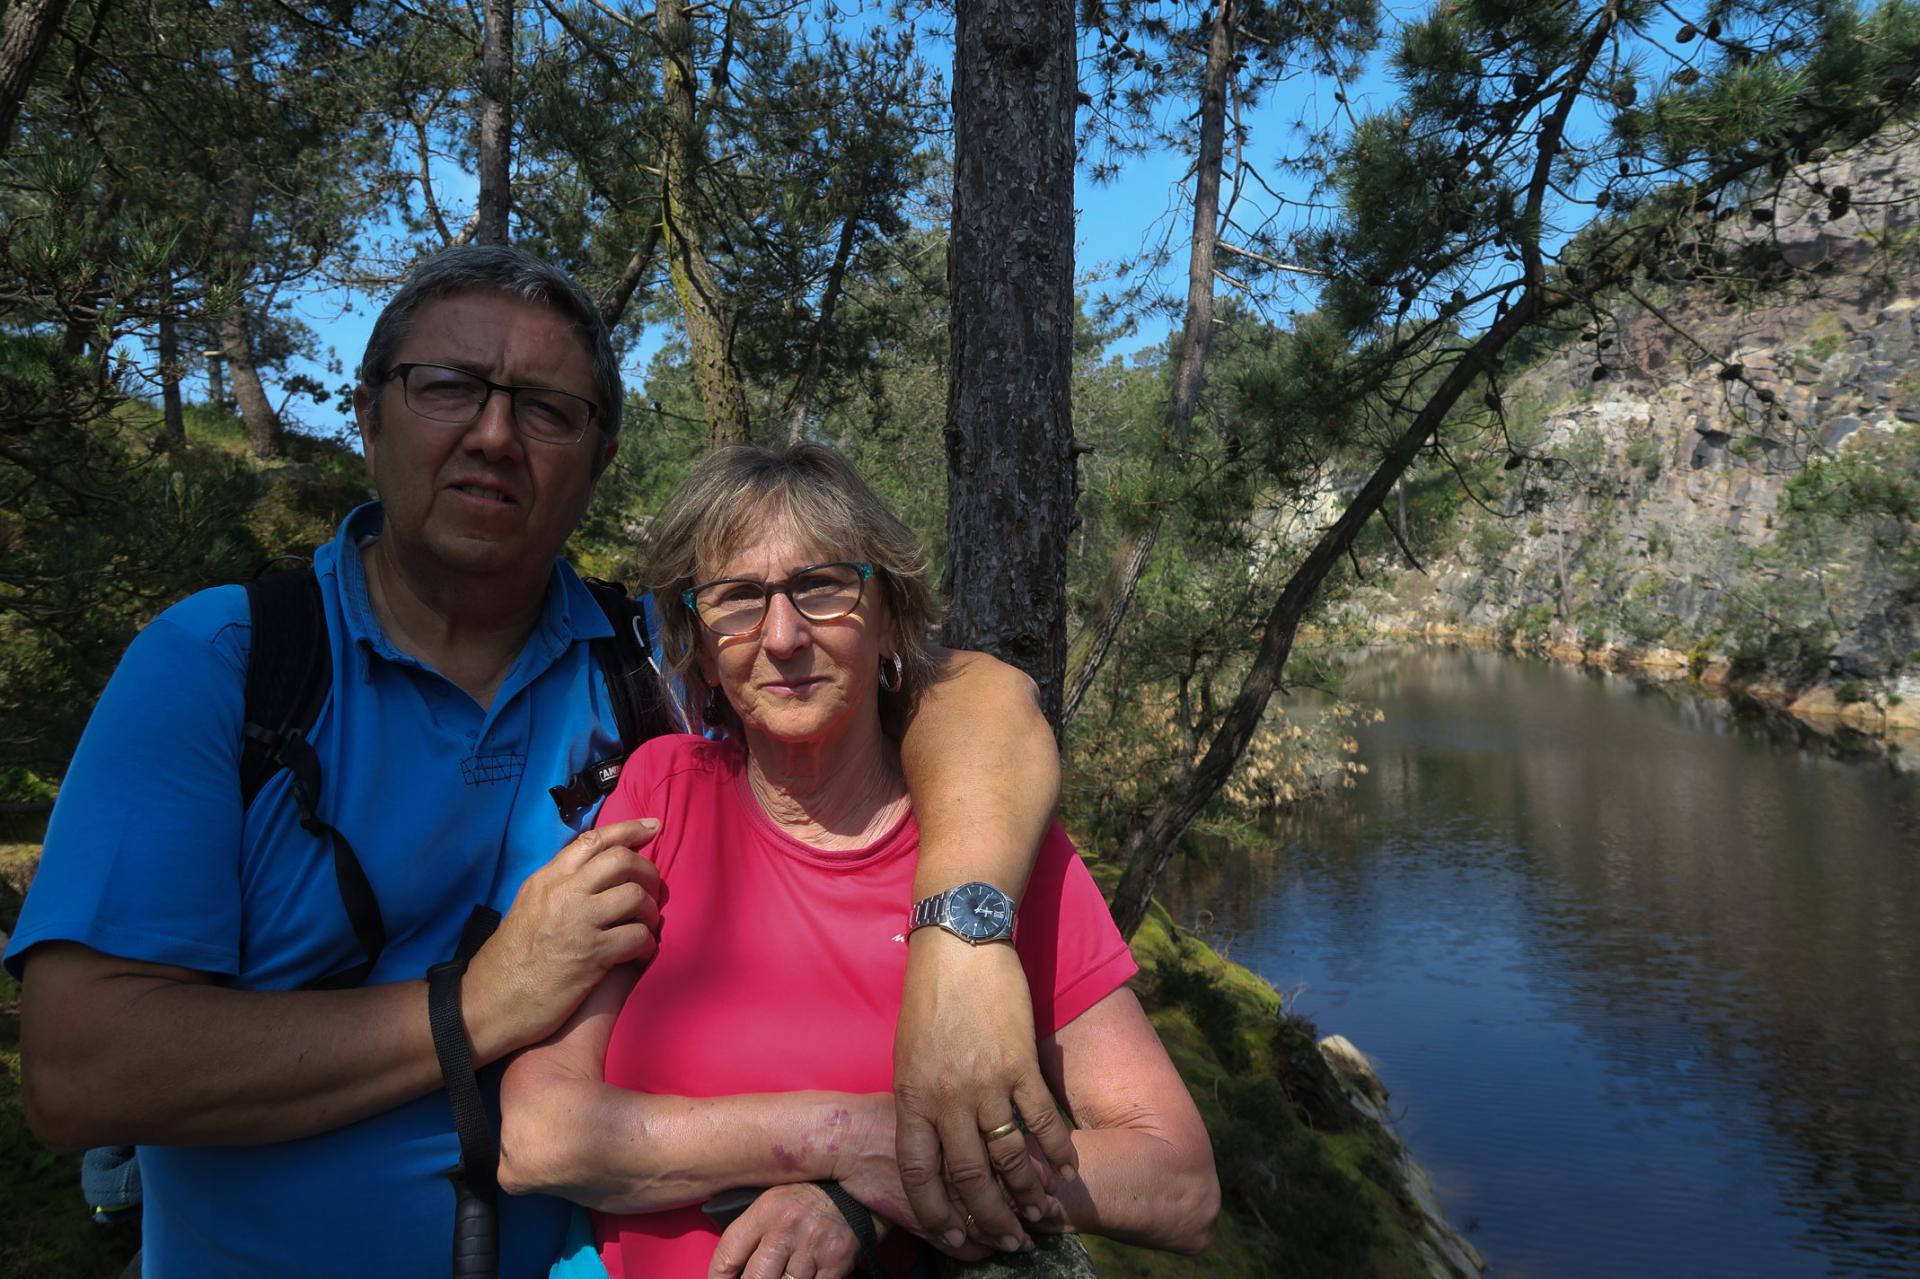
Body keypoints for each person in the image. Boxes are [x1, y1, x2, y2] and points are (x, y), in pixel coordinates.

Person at [6, 246, 1071, 1277]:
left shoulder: (655, 660)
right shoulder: (227, 666)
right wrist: (474, 1005)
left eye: (548, 410)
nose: (494, 435)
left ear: (598, 459)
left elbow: (975, 696)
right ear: (368, 412)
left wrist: (962, 945)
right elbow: (77, 1067)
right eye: (448, 386)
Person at [495, 444, 1219, 1279]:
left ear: (890, 619)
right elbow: (537, 1136)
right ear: (700, 638)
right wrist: (852, 1139)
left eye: (822, 586)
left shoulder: (993, 847)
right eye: (737, 598)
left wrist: (874, 1198)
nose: (782, 635)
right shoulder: (663, 799)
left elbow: (1179, 1182)